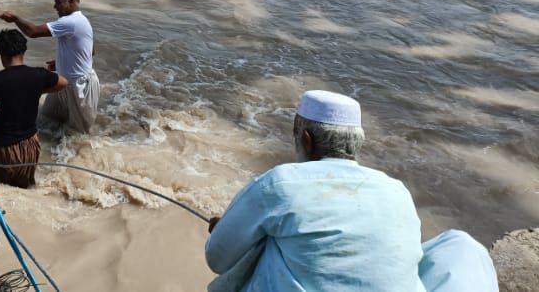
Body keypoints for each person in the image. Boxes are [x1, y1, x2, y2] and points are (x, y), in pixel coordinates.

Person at [205, 90, 499, 292]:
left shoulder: (280, 184)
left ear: (306, 139)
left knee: (268, 242)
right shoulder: (396, 191)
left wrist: (224, 231)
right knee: (461, 246)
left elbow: (218, 259)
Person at [0, 30, 67, 188]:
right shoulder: (38, 74)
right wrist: (38, 90)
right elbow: (63, 82)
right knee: (25, 188)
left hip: (3, 149)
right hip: (30, 147)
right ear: (23, 51)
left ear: (0, 53)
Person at [0, 0, 99, 133]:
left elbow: (33, 32)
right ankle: (52, 152)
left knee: (79, 134)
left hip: (79, 85)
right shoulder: (81, 21)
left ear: (70, 2)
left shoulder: (71, 22)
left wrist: (16, 19)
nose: (54, 7)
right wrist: (61, 62)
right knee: (47, 120)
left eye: (58, 2)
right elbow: (91, 51)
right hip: (62, 81)